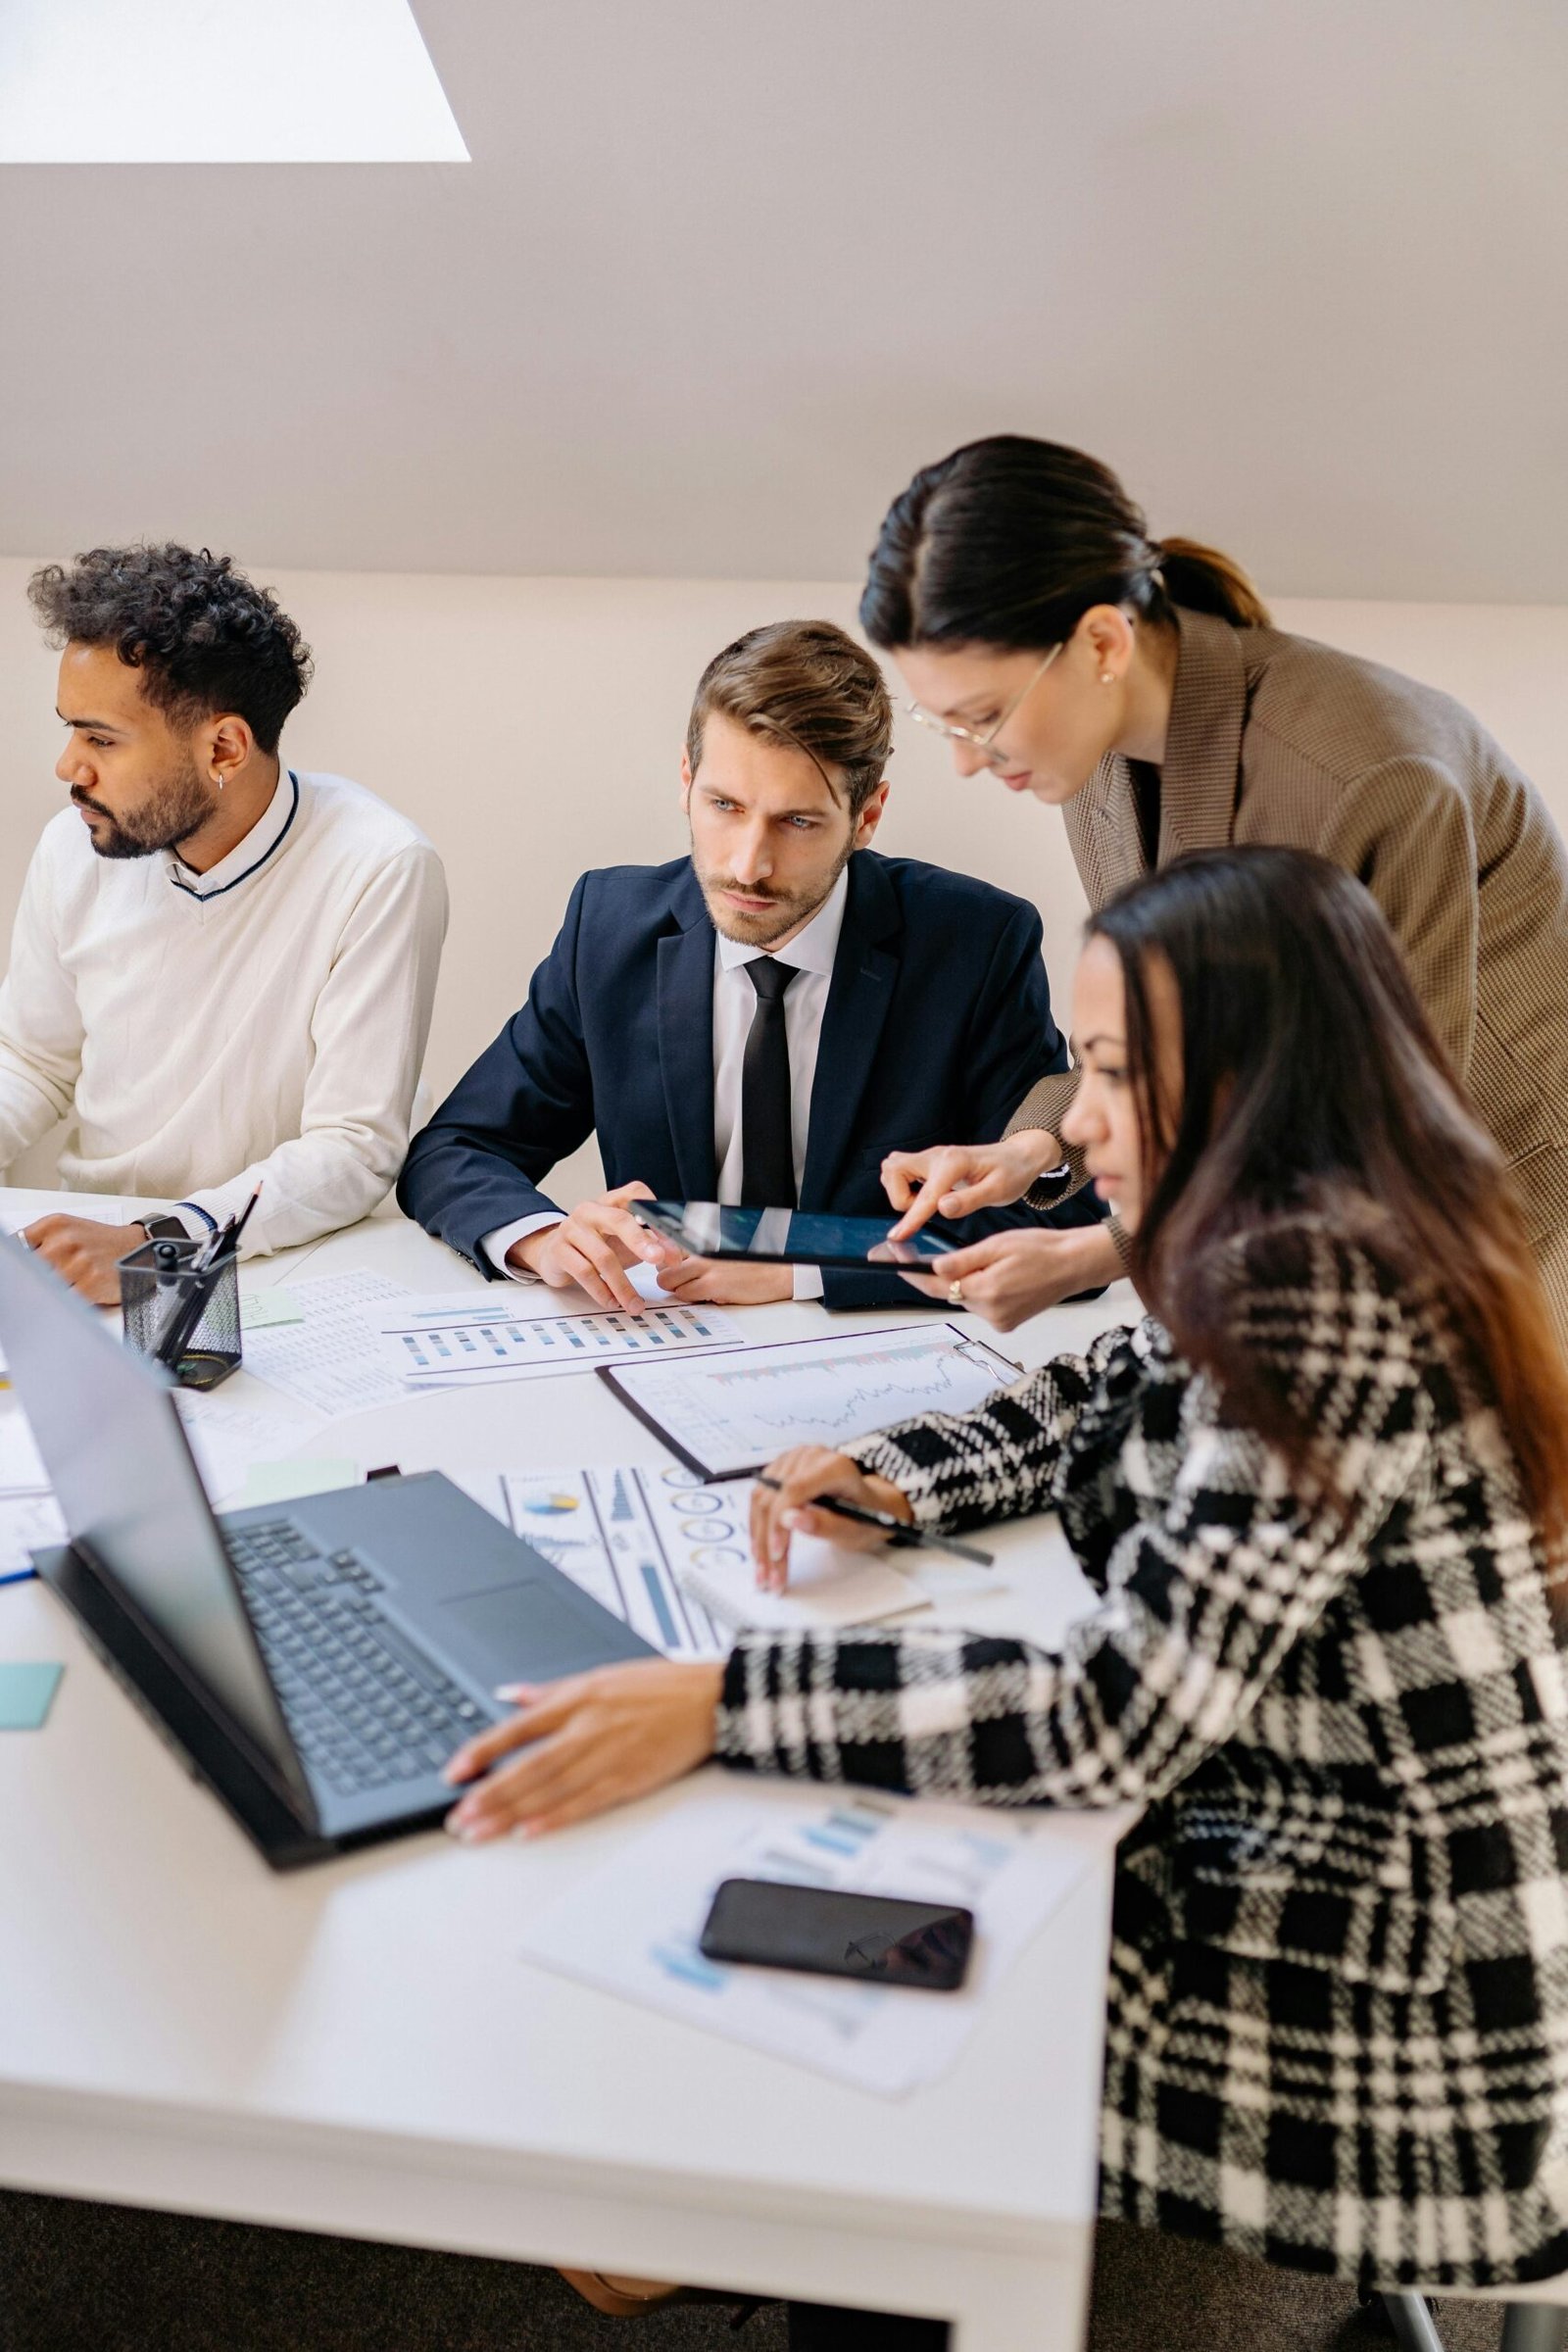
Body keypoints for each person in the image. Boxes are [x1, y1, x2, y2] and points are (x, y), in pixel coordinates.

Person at [444, 848, 1568, 2325]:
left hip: (1409, 2012)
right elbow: (1106, 1382)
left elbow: (1105, 1727)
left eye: (1109, 1074)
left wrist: (724, 1700)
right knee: (826, 1938)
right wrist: (902, 1472)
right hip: (1296, 1851)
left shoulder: (1318, 1306)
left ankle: (802, 2225)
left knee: (847, 2058)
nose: (1073, 1124)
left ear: (1248, 1076)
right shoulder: (1300, 1222)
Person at [854, 435, 1568, 1340]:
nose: (963, 763)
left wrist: (1095, 1253)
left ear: (1103, 641)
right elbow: (1162, 1036)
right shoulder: (1097, 764)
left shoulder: (1371, 775)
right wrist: (1035, 1150)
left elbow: (1373, 1128)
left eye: (984, 718)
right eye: (942, 723)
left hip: (1511, 1211)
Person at [398, 617, 1101, 1314]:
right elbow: (457, 1148)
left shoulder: (975, 944)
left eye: (797, 822)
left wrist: (807, 1270)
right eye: (724, 806)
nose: (747, 865)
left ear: (868, 815)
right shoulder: (608, 929)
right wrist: (544, 1238)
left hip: (884, 1355)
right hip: (668, 1353)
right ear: (686, 778)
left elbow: (1062, 1221)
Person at [1, 543, 448, 1302]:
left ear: (224, 747)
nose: (69, 767)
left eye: (100, 738)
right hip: (97, 1250)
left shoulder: (378, 863)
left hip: (284, 1262)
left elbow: (352, 1150)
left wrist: (153, 1244)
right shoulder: (70, 845)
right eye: (70, 730)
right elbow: (32, 1060)